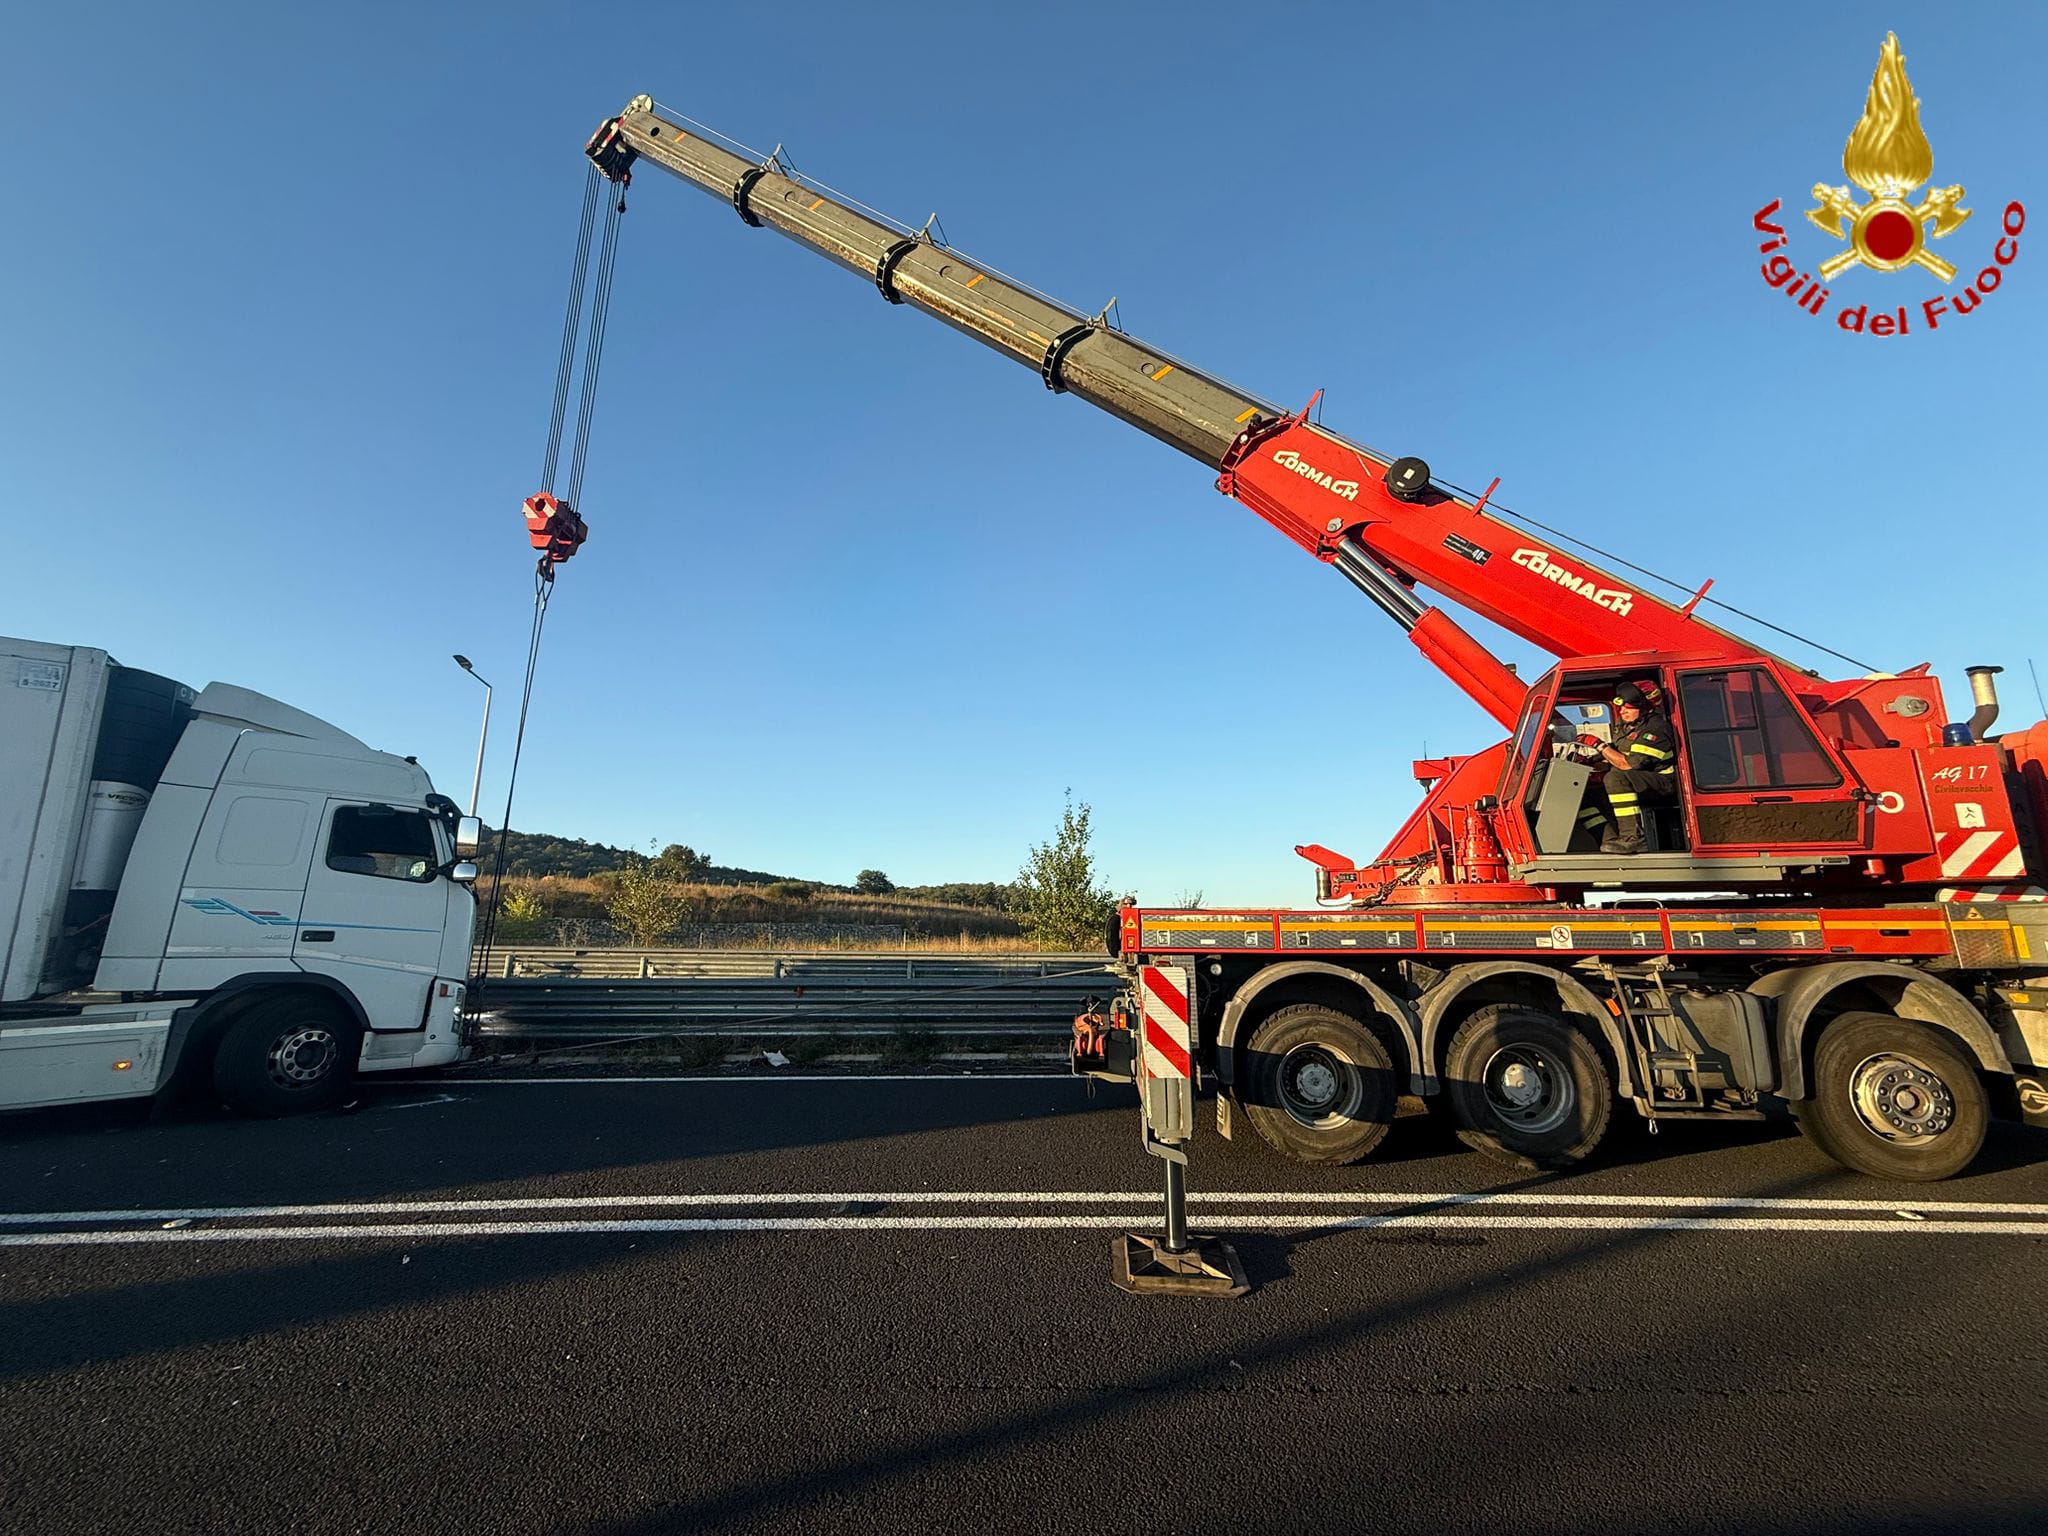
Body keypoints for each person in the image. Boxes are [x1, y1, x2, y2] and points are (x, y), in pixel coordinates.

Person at [1580, 682, 1679, 854]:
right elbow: (1618, 752)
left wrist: (1599, 745)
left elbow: (1628, 764)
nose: (1622, 711)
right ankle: (1608, 840)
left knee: (1615, 777)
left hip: (1663, 782)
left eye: (1629, 707)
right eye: (1621, 707)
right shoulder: (1629, 728)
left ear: (1645, 708)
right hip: (1641, 779)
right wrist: (1588, 761)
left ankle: (1634, 838)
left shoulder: (1655, 729)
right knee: (1585, 793)